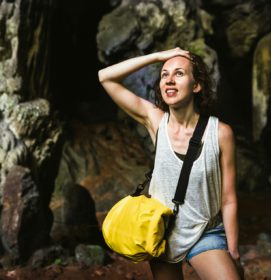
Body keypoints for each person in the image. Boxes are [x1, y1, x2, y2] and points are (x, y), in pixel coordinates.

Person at [98, 47, 241, 279]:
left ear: (197, 85)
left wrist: (233, 251)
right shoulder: (156, 121)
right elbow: (105, 77)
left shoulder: (221, 133)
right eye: (165, 75)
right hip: (162, 232)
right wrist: (156, 57)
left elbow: (229, 199)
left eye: (179, 74)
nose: (170, 80)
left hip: (204, 231)